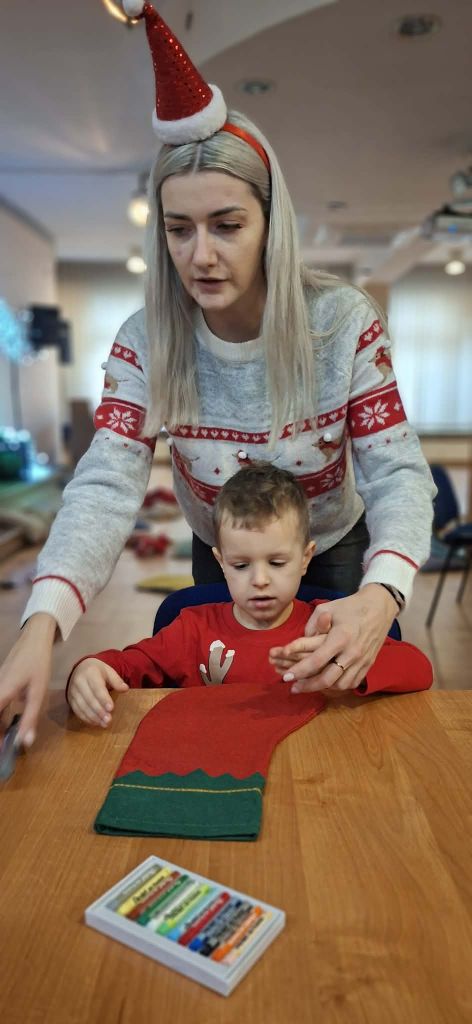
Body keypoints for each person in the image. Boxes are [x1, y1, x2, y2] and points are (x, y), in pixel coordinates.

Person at [0, 1, 435, 748]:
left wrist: (381, 595)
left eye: (228, 225)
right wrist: (41, 625)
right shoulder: (144, 342)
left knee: (343, 733)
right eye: (179, 229)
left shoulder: (341, 324)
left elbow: (397, 473)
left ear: (271, 226)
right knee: (232, 710)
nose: (201, 256)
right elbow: (105, 486)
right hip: (223, 546)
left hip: (333, 545)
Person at [67, 464, 432, 725]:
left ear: (305, 559)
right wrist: (90, 669)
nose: (259, 580)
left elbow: (419, 670)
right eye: (241, 565)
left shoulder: (327, 624)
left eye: (277, 562)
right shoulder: (191, 630)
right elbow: (126, 666)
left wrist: (350, 670)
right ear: (220, 562)